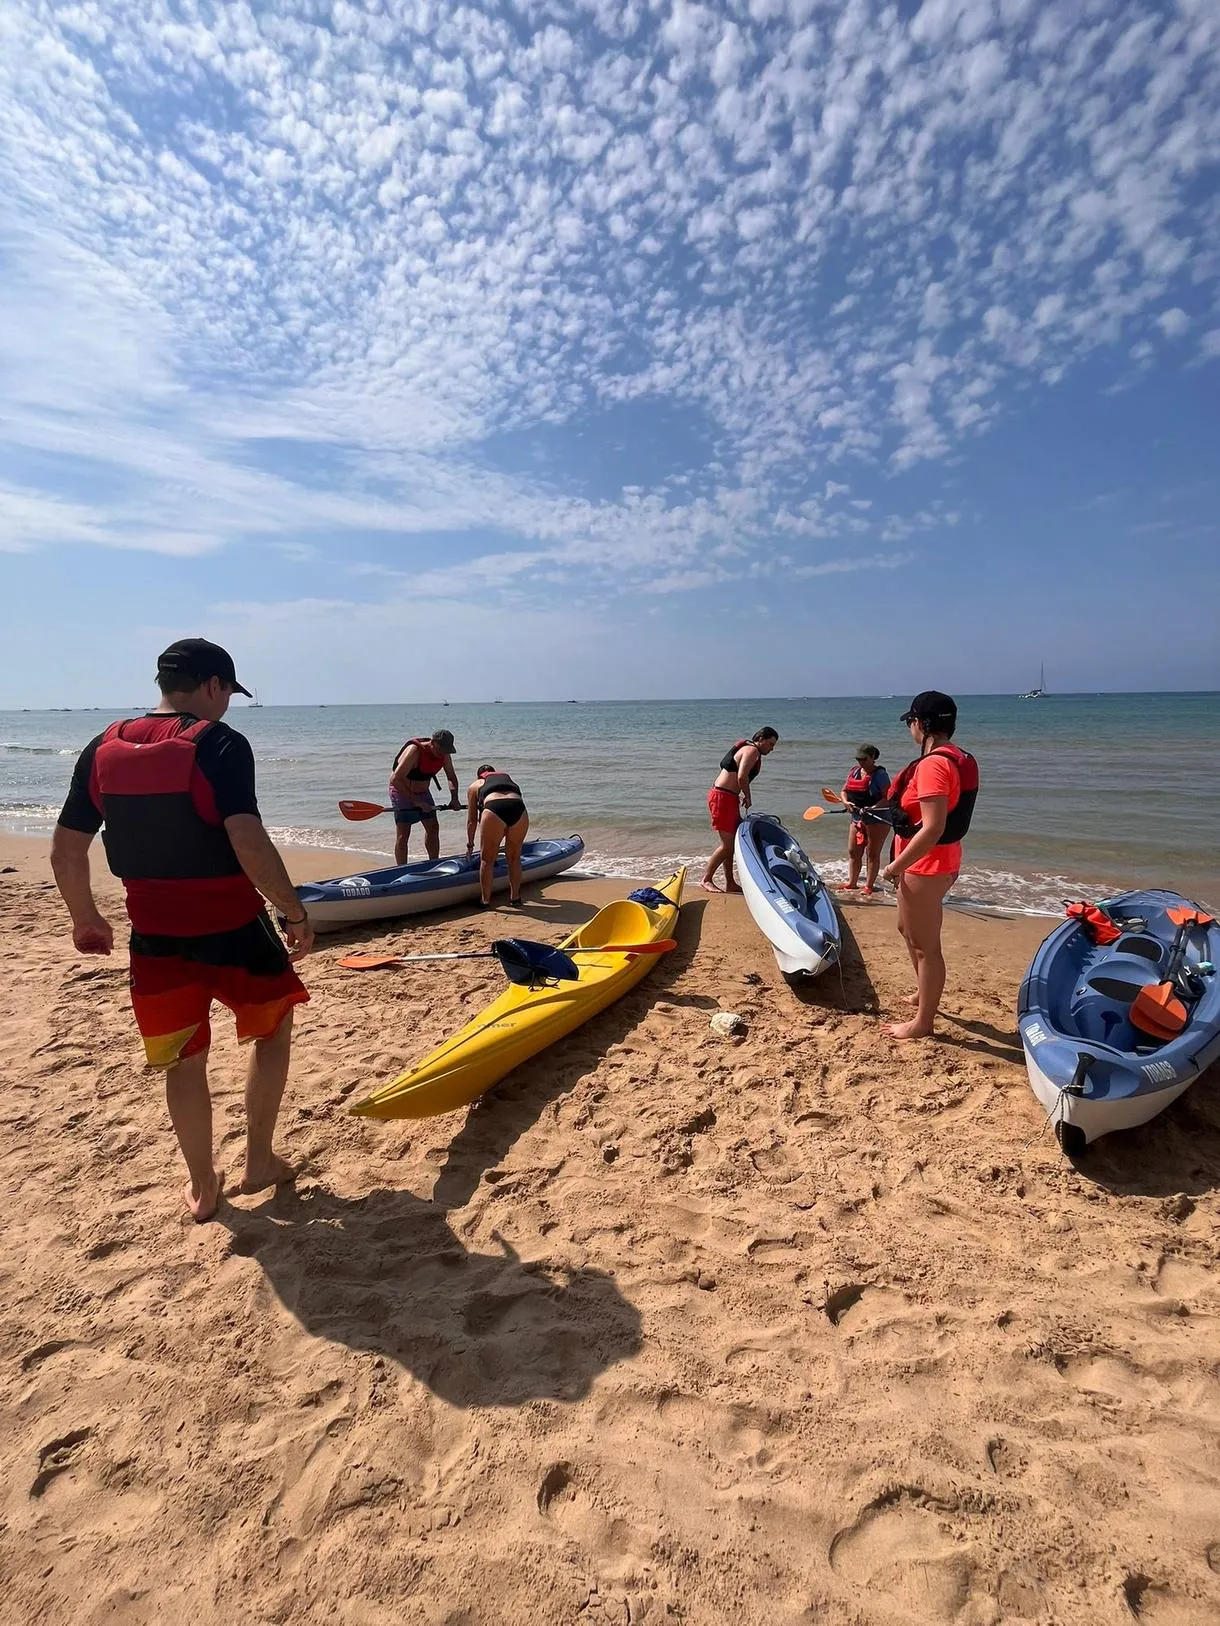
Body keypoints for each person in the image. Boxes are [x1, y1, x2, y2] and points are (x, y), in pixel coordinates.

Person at [49, 638, 314, 1222]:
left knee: (182, 1059)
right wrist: (293, 912)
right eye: (228, 694)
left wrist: (84, 917)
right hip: (234, 928)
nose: (227, 706)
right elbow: (248, 841)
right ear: (215, 685)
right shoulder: (219, 744)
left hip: (155, 937)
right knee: (272, 1030)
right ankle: (260, 1161)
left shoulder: (102, 748)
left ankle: (202, 1184)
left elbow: (68, 848)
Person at [879, 691, 979, 1040]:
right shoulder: (952, 757)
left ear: (922, 724)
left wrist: (893, 868)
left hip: (927, 866)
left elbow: (934, 827)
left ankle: (923, 1022)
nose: (910, 728)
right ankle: (924, 993)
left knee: (925, 945)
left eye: (911, 721)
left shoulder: (935, 764)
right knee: (907, 929)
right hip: (934, 863)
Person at [701, 727, 780, 893]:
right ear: (762, 739)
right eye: (771, 744)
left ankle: (730, 882)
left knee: (731, 844)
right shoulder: (752, 750)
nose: (772, 749)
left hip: (728, 798)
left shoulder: (749, 748)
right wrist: (748, 796)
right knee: (727, 846)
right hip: (722, 798)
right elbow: (742, 776)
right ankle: (706, 879)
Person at [389, 728, 460, 864]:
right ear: (432, 742)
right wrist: (416, 801)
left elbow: (451, 777)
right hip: (402, 791)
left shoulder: (444, 754)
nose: (442, 754)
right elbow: (396, 779)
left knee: (433, 827)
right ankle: (401, 869)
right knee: (403, 834)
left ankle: (434, 863)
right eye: (440, 750)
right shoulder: (414, 751)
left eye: (446, 750)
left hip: (423, 792)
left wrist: (454, 798)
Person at [465, 765, 529, 907]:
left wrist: (470, 845)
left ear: (479, 776)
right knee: (513, 858)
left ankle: (485, 900)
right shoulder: (508, 780)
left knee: (487, 860)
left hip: (494, 807)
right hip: (519, 808)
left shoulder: (475, 785)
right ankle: (515, 898)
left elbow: (472, 820)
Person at [839, 744, 891, 896]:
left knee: (872, 853)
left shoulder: (880, 775)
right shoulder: (854, 772)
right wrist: (846, 802)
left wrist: (873, 808)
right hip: (857, 817)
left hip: (878, 818)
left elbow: (888, 797)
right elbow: (844, 791)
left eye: (864, 759)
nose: (861, 762)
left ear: (873, 758)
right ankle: (852, 883)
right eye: (858, 759)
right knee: (853, 851)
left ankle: (868, 886)